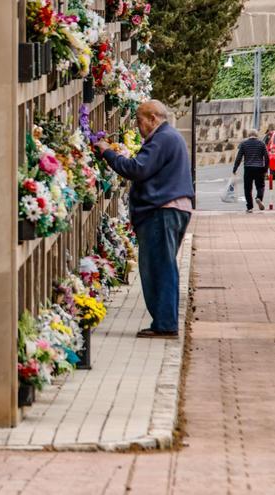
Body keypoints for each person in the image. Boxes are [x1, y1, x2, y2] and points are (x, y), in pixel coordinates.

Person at [96, 100, 194, 339]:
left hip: (162, 210)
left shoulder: (162, 138)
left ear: (152, 118)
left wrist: (107, 152)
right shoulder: (170, 137)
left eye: (139, 121)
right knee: (164, 265)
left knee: (159, 267)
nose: (138, 127)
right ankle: (165, 321)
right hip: (172, 208)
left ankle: (165, 324)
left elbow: (138, 169)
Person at [232, 129, 269, 212]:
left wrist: (235, 168)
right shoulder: (261, 143)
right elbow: (267, 157)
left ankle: (250, 207)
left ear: (249, 135)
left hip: (248, 168)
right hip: (259, 167)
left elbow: (239, 157)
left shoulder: (244, 144)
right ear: (256, 135)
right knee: (260, 186)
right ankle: (259, 198)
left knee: (247, 188)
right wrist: (265, 169)